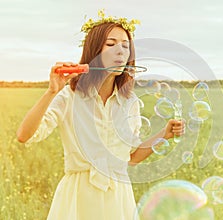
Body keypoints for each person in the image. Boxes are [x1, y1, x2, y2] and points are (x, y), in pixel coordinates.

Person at [16, 10, 184, 220]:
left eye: (125, 46)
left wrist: (164, 135)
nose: (120, 51)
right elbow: (25, 135)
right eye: (111, 44)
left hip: (118, 196)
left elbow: (131, 158)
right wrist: (52, 92)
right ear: (94, 51)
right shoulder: (70, 96)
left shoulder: (129, 102)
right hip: (78, 196)